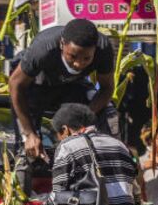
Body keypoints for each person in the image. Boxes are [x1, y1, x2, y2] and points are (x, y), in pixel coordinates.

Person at [10, 18, 117, 159]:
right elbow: (15, 85)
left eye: (86, 58)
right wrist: (29, 134)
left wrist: (85, 116)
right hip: (37, 83)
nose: (78, 64)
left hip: (72, 85)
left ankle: (109, 158)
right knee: (28, 147)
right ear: (62, 44)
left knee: (108, 110)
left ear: (95, 50)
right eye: (72, 56)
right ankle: (25, 160)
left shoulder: (103, 49)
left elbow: (107, 88)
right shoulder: (43, 49)